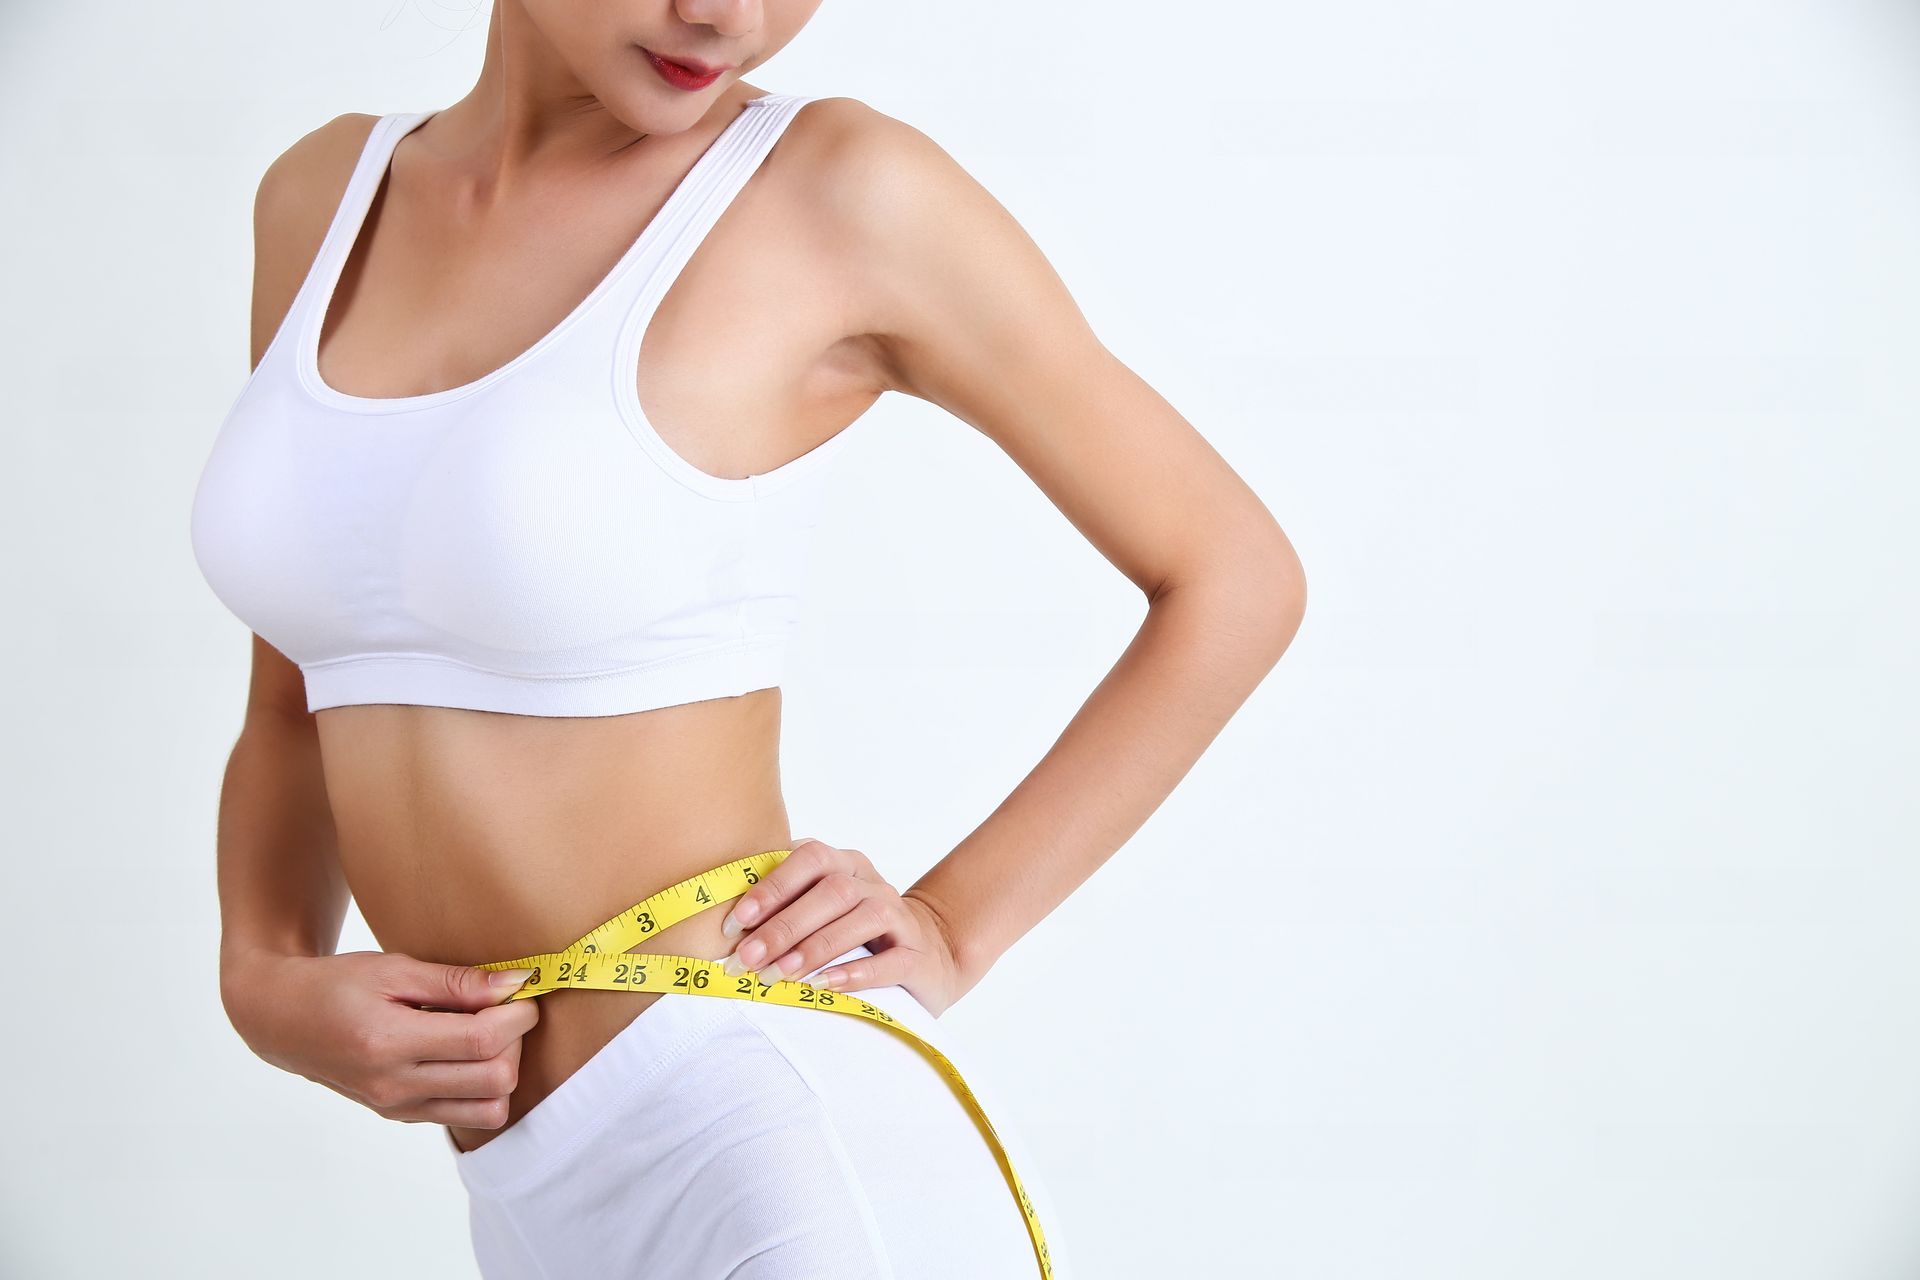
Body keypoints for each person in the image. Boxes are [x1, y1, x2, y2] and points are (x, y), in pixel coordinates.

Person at [189, 1, 1307, 1275]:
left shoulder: (835, 193)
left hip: (767, 1134)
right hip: (524, 1183)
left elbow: (1233, 575)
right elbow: (296, 692)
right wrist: (261, 973)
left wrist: (955, 918)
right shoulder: (321, 196)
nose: (732, 14)